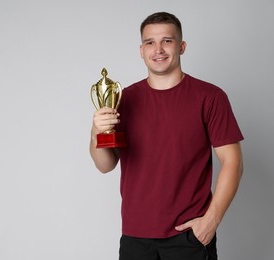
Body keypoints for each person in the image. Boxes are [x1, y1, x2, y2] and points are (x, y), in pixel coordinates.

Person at [89, 12, 244, 260]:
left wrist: (210, 222)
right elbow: (105, 165)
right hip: (134, 237)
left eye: (167, 41)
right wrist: (97, 129)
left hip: (188, 237)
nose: (158, 49)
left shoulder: (210, 97)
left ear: (181, 46)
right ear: (141, 50)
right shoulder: (124, 99)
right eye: (150, 42)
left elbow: (233, 162)